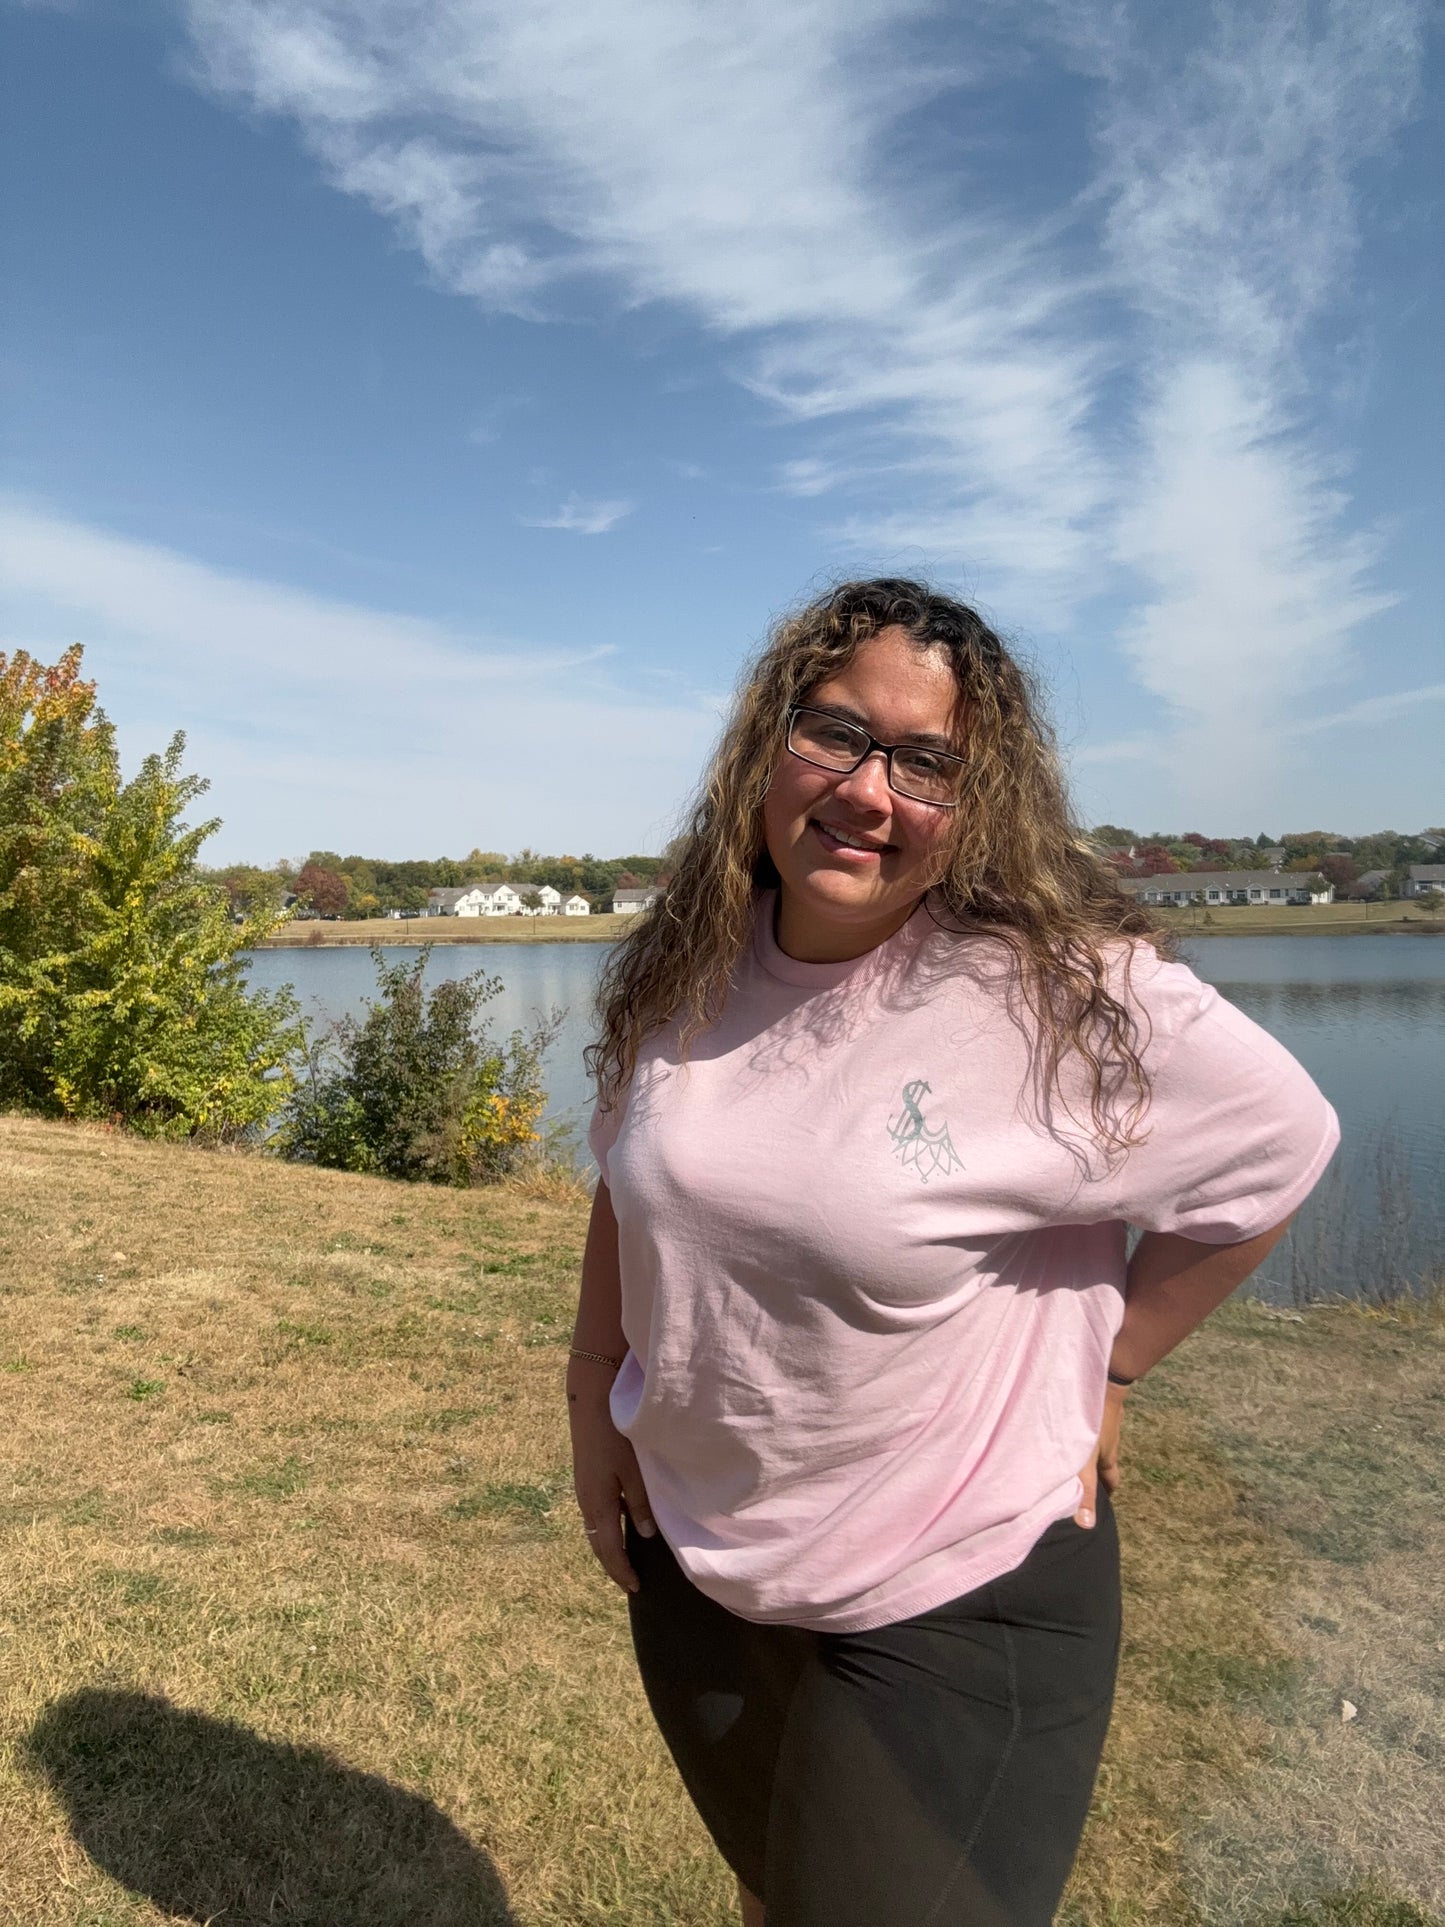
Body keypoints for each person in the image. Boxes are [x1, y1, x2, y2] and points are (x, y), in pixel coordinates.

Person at [568, 579, 1338, 1927]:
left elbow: (1279, 1149)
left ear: (977, 804)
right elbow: (634, 1183)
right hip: (702, 1565)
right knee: (779, 1899)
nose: (868, 790)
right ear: (766, 747)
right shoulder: (686, 960)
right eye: (835, 735)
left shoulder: (1052, 994)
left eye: (927, 762)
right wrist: (593, 1399)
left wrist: (1112, 1366)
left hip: (954, 1588)